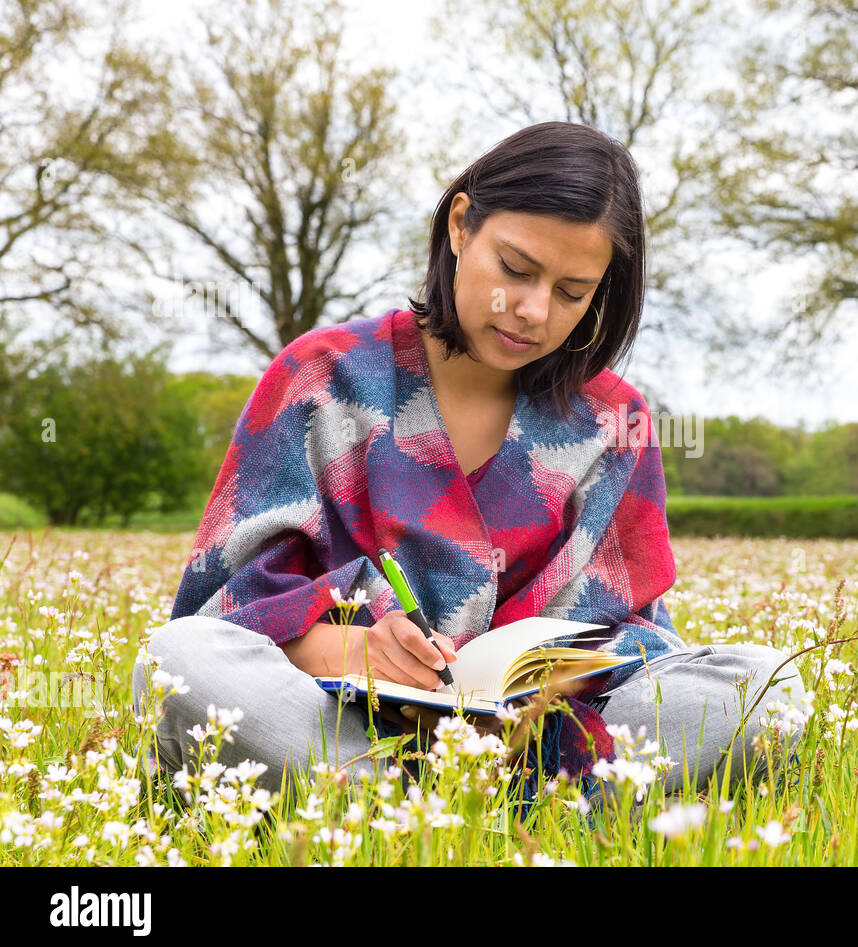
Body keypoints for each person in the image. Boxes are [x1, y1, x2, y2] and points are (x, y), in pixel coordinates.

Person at [131, 121, 805, 813]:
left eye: (572, 292)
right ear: (460, 225)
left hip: (543, 746)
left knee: (763, 683)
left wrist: (535, 690)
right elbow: (224, 606)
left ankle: (402, 819)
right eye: (515, 269)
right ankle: (458, 814)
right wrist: (344, 648)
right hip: (342, 728)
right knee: (177, 660)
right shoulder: (322, 375)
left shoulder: (614, 420)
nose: (533, 311)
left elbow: (640, 642)